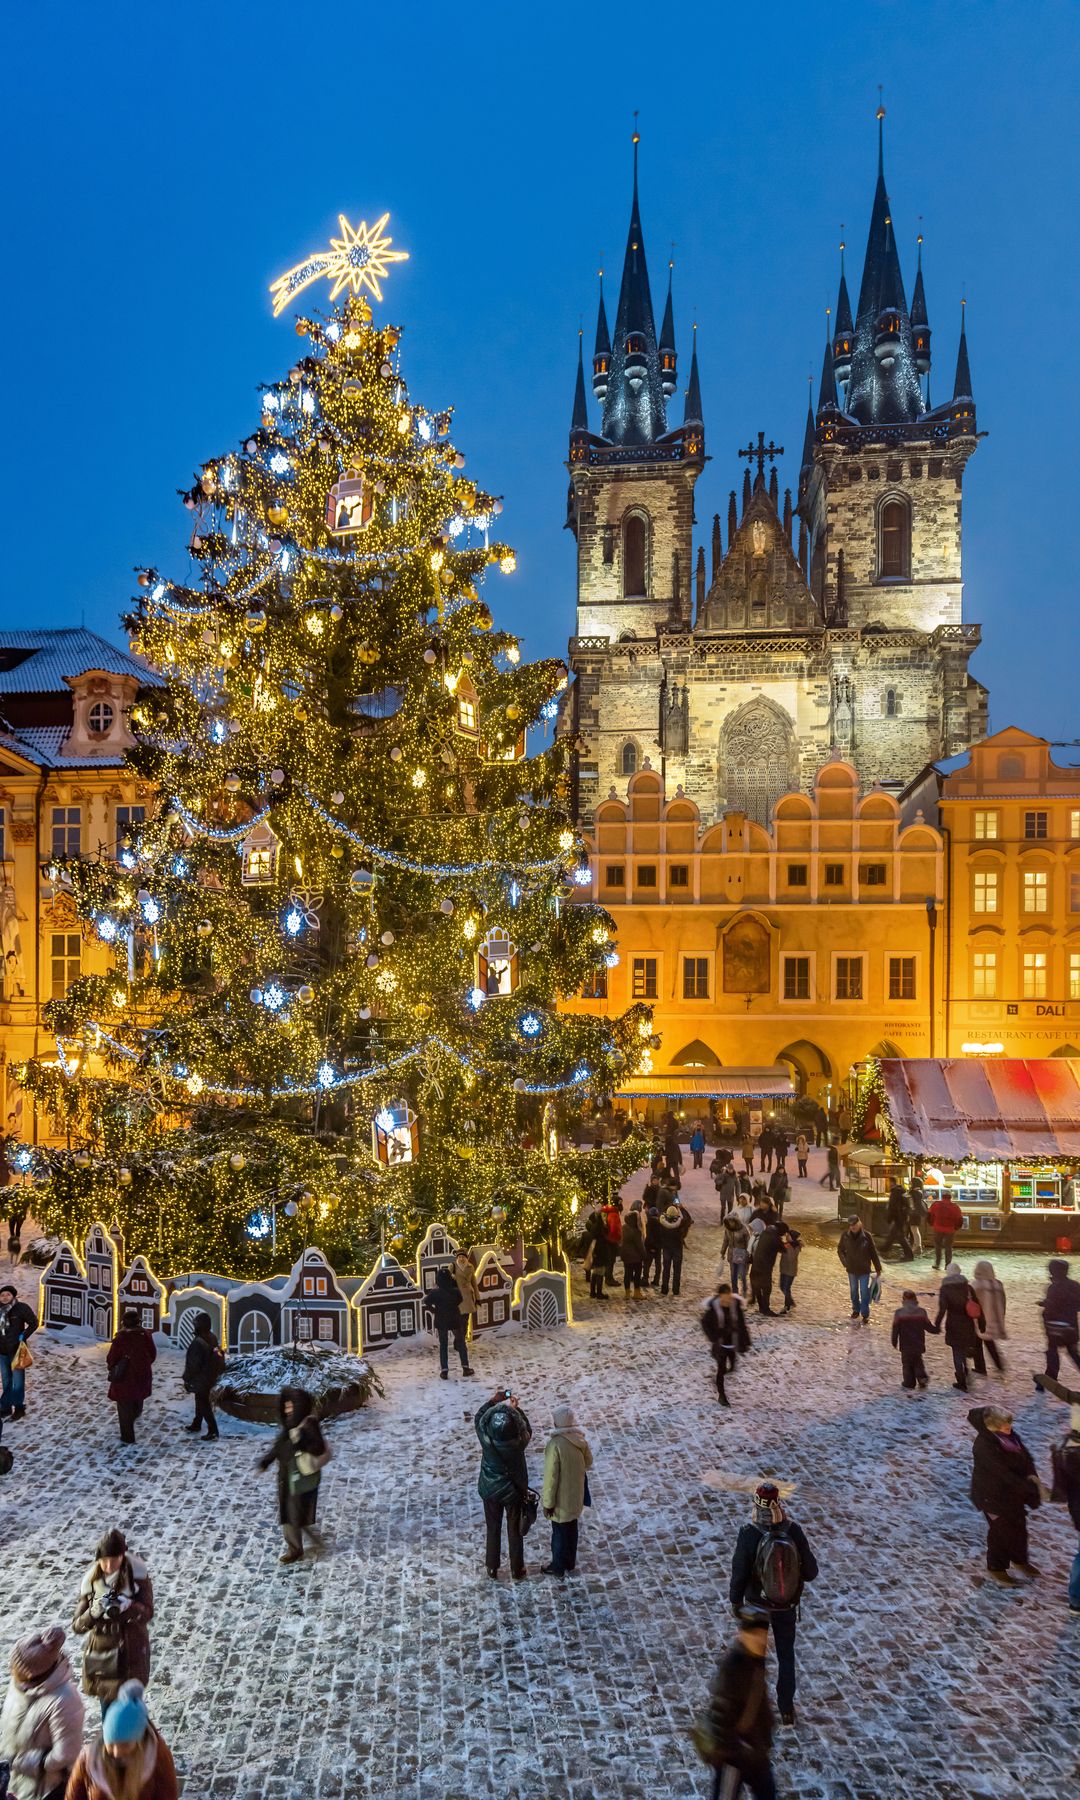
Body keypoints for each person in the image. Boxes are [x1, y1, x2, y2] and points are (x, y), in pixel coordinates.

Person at [729, 1482, 818, 1727]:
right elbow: (811, 1572)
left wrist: (735, 1601)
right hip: (785, 1607)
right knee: (786, 1657)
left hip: (757, 1608)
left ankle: (753, 1710)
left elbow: (739, 1572)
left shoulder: (749, 1533)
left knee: (753, 1660)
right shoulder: (794, 1531)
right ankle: (787, 1709)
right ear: (779, 1503)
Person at [695, 1609, 776, 1799]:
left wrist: (767, 1730)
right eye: (755, 1635)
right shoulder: (734, 1667)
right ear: (743, 1635)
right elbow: (721, 1714)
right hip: (735, 1756)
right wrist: (736, 1748)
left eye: (763, 1634)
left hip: (756, 1751)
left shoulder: (757, 1661)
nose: (762, 1639)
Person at [72, 1530, 153, 1716]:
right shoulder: (91, 1582)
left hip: (132, 1651)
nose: (108, 1566)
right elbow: (77, 1625)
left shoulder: (138, 1576)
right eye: (104, 1560)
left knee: (132, 1712)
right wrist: (94, 1612)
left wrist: (130, 1606)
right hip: (103, 1656)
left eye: (114, 1560)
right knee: (108, 1713)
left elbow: (148, 1612)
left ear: (122, 1557)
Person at [0, 1626, 84, 1800]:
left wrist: (33, 1763)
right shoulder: (18, 1684)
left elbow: (67, 1753)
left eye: (16, 1667)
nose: (11, 1669)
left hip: (46, 1789)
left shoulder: (65, 1699)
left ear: (31, 1674)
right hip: (15, 1780)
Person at [65, 1680, 177, 1800]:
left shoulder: (158, 1758)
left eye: (125, 1744)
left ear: (139, 1742)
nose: (117, 1752)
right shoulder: (88, 1760)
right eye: (111, 1744)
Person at [968, 1405, 1041, 1587]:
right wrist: (1027, 1487)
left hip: (1013, 1495)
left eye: (1009, 1424)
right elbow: (1002, 1474)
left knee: (1019, 1529)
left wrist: (1032, 1475)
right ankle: (996, 1568)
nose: (1009, 1428)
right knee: (1001, 1533)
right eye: (1004, 1426)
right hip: (992, 1497)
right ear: (992, 1427)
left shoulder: (1010, 1437)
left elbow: (1026, 1457)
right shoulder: (984, 1446)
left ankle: (1019, 1559)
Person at [256, 1386, 330, 1564]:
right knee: (290, 1514)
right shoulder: (289, 1424)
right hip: (286, 1476)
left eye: (291, 1407)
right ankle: (298, 1546)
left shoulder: (308, 1424)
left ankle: (296, 1549)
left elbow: (318, 1447)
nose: (288, 1410)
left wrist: (300, 1440)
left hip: (300, 1477)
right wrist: (267, 1460)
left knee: (293, 1514)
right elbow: (279, 1446)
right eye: (286, 1407)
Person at [475, 1388, 532, 1580]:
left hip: (490, 1489)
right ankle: (517, 1568)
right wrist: (516, 1410)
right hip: (513, 1490)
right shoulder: (519, 1441)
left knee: (493, 1527)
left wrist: (493, 1402)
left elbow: (479, 1418)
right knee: (514, 1530)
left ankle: (492, 1567)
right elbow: (527, 1428)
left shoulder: (485, 1437)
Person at [540, 1402, 593, 1578]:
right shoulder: (579, 1440)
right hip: (575, 1497)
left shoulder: (554, 1445)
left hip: (560, 1501)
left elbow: (551, 1478)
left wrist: (547, 1503)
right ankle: (570, 1562)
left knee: (559, 1534)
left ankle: (558, 1566)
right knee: (572, 1530)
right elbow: (588, 1462)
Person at [935, 1262, 987, 1391]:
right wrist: (982, 1322)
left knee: (957, 1352)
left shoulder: (945, 1289)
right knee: (963, 1349)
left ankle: (961, 1380)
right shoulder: (968, 1288)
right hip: (968, 1324)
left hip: (954, 1324)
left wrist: (937, 1325)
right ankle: (966, 1371)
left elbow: (942, 1309)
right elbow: (977, 1306)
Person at [106, 1309, 156, 1445]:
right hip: (142, 1376)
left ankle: (127, 1437)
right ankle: (135, 1414)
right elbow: (152, 1354)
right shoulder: (146, 1335)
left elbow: (111, 1358)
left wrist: (114, 1366)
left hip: (125, 1379)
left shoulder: (121, 1339)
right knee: (137, 1399)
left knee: (124, 1406)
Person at [702, 1281, 751, 1406]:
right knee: (721, 1369)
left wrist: (745, 1341)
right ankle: (721, 1395)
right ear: (719, 1297)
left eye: (728, 1297)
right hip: (721, 1345)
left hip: (732, 1344)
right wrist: (714, 1337)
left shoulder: (735, 1306)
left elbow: (741, 1324)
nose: (727, 1301)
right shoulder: (714, 1309)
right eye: (724, 1299)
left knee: (733, 1364)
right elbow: (705, 1323)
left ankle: (728, 1370)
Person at [424, 1265, 475, 1379]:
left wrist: (434, 1310)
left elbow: (426, 1301)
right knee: (461, 1343)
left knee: (443, 1345)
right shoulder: (455, 1291)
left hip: (441, 1320)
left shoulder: (434, 1293)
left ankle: (444, 1371)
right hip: (455, 1319)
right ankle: (465, 1367)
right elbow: (460, 1300)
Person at [181, 1311, 222, 1439]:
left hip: (201, 1377)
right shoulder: (212, 1337)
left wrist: (187, 1378)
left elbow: (193, 1365)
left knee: (203, 1402)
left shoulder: (198, 1342)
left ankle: (213, 1430)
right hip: (210, 1375)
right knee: (200, 1399)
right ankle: (197, 1423)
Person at [0, 1282, 37, 1422]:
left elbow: (34, 1323)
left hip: (17, 1350)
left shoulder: (21, 1308)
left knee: (18, 1381)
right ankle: (5, 1408)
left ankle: (19, 1408)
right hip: (2, 1351)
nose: (4, 1297)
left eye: (7, 1294)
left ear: (13, 1296)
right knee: (6, 1380)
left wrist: (24, 1335)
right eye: (2, 1295)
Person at [1039, 1258, 1080, 1381]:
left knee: (1052, 1350)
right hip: (1071, 1325)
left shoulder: (1053, 1287)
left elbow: (1052, 1305)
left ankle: (1051, 1377)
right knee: (1072, 1352)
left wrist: (1045, 1305)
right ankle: (1050, 1376)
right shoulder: (1075, 1285)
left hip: (1054, 1325)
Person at [890, 1289, 940, 1389]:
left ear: (903, 1300)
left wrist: (894, 1341)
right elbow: (927, 1326)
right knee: (917, 1360)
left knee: (907, 1363)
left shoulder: (899, 1313)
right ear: (915, 1299)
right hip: (918, 1341)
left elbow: (895, 1329)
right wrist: (936, 1330)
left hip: (905, 1343)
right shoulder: (921, 1312)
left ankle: (909, 1382)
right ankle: (921, 1377)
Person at [836, 1215, 882, 1322]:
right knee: (853, 1291)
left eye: (854, 1224)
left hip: (864, 1269)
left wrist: (878, 1267)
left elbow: (873, 1253)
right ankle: (856, 1310)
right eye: (851, 1225)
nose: (853, 1227)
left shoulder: (867, 1236)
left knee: (864, 1291)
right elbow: (840, 1249)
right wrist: (845, 1262)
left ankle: (865, 1313)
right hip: (851, 1269)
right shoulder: (845, 1236)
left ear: (859, 1223)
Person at [972, 1259, 1007, 1373]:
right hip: (994, 1319)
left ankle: (980, 1368)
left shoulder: (976, 1285)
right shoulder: (998, 1284)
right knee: (989, 1342)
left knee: (977, 1344)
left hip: (980, 1319)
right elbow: (1003, 1301)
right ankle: (999, 1365)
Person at [749, 1218, 782, 1318]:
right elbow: (782, 1249)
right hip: (763, 1269)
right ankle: (765, 1309)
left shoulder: (763, 1235)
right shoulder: (771, 1237)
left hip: (755, 1268)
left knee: (758, 1289)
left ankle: (762, 1308)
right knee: (766, 1289)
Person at [927, 1188, 963, 1271]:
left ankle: (937, 1263)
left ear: (942, 1196)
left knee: (938, 1246)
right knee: (948, 1247)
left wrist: (932, 1224)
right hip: (950, 1230)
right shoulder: (955, 1206)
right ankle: (948, 1265)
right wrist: (956, 1228)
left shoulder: (936, 1204)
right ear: (950, 1197)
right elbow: (960, 1219)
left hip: (938, 1228)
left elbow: (929, 1214)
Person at [880, 1184, 914, 1261]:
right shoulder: (903, 1193)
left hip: (898, 1218)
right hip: (903, 1217)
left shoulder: (894, 1194)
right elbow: (909, 1206)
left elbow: (892, 1207)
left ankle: (909, 1255)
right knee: (894, 1234)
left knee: (900, 1236)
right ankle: (884, 1249)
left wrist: (889, 1218)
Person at [582, 1205, 609, 1302]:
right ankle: (599, 1293)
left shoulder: (594, 1227)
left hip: (595, 1252)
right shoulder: (600, 1227)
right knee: (600, 1272)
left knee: (595, 1272)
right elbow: (602, 1240)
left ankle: (593, 1292)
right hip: (600, 1252)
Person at [721, 1209, 750, 1298]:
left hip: (741, 1254)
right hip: (731, 1254)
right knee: (733, 1275)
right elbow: (725, 1240)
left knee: (742, 1274)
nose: (730, 1223)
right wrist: (723, 1252)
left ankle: (744, 1290)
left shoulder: (744, 1229)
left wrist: (748, 1254)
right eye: (729, 1221)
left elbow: (748, 1242)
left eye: (731, 1221)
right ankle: (735, 1293)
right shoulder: (727, 1229)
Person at [658, 1203, 686, 1296]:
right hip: (677, 1249)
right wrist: (681, 1208)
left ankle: (664, 1289)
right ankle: (676, 1290)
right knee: (677, 1270)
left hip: (666, 1248)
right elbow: (687, 1218)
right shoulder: (680, 1224)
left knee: (666, 1269)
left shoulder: (662, 1224)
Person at [452, 1249, 480, 1340]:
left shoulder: (470, 1267)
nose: (461, 1259)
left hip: (468, 1297)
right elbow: (446, 1279)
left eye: (463, 1257)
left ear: (466, 1258)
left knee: (465, 1321)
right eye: (459, 1257)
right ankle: (458, 1340)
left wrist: (477, 1298)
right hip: (457, 1297)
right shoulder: (453, 1266)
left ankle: (462, 1340)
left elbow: (474, 1283)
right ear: (457, 1258)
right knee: (458, 1321)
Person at [620, 1202, 646, 1298]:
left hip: (626, 1256)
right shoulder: (636, 1231)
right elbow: (640, 1245)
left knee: (627, 1274)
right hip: (636, 1257)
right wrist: (644, 1255)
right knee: (637, 1274)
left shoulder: (624, 1228)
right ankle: (637, 1292)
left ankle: (627, 1293)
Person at [777, 1228, 802, 1313]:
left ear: (791, 1237)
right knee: (782, 1286)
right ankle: (790, 1302)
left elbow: (791, 1258)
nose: (786, 1236)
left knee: (786, 1287)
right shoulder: (788, 1245)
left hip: (790, 1270)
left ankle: (787, 1306)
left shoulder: (793, 1247)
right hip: (784, 1269)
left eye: (788, 1235)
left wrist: (786, 1248)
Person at [642, 1202, 663, 1290]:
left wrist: (652, 1247)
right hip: (658, 1247)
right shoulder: (660, 1223)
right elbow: (661, 1236)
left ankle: (645, 1279)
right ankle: (656, 1279)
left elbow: (650, 1236)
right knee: (658, 1264)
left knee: (647, 1264)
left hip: (650, 1247)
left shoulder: (649, 1223)